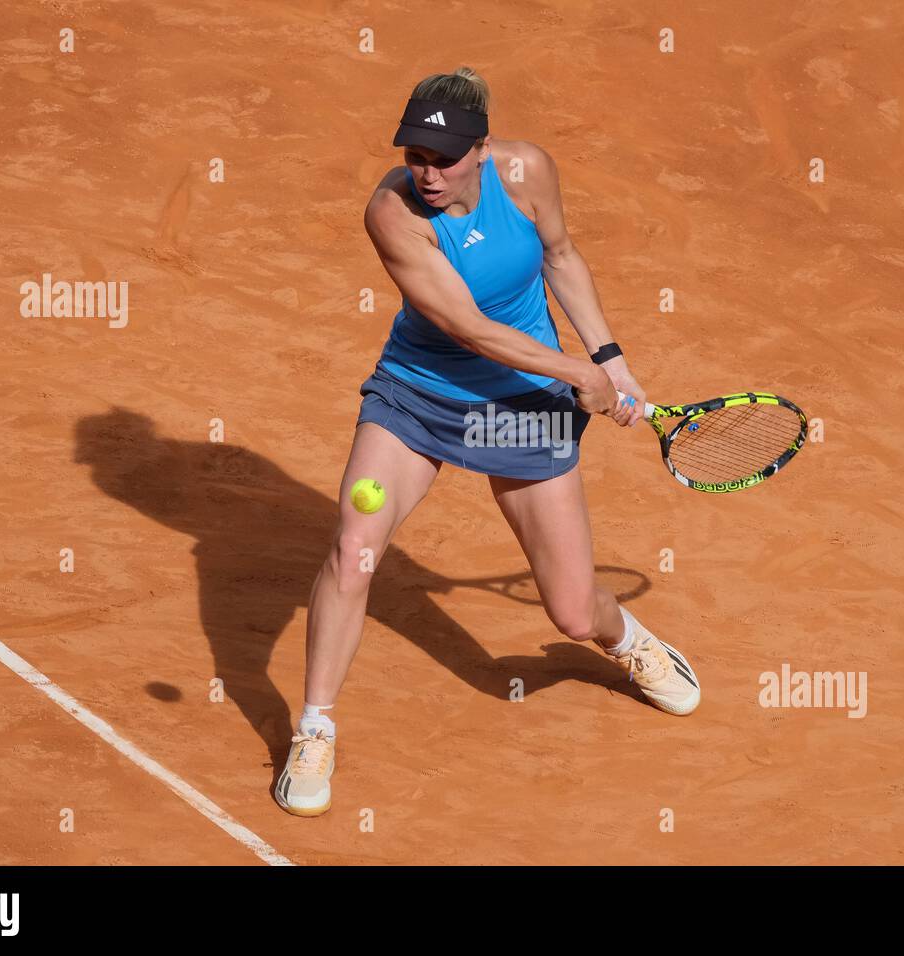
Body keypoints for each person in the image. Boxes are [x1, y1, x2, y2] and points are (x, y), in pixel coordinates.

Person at [275, 67, 700, 817]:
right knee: (354, 547)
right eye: (415, 156)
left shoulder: (528, 171)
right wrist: (579, 373)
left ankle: (626, 639)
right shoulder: (392, 212)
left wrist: (611, 363)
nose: (427, 173)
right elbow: (469, 328)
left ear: (483, 148)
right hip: (420, 396)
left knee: (571, 612)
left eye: (443, 158)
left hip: (522, 406)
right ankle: (314, 728)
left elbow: (562, 259)